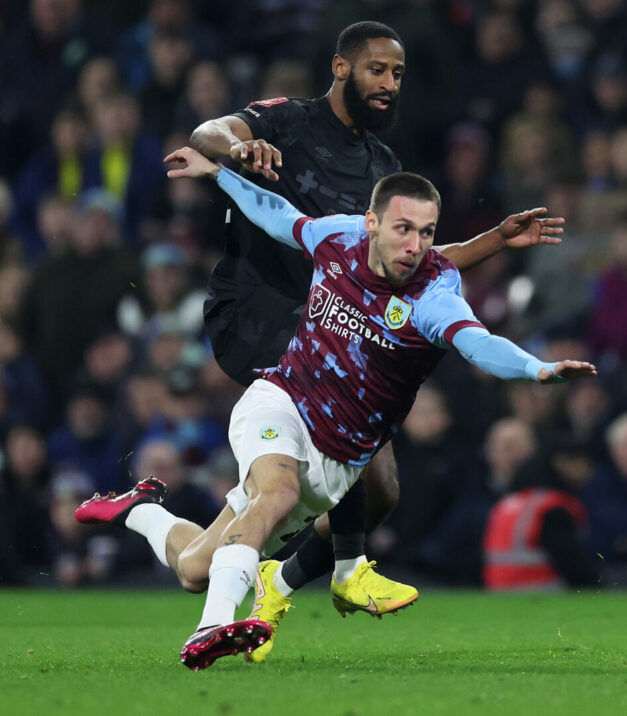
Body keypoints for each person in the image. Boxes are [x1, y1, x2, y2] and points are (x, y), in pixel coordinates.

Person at [76, 147, 597, 670]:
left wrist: (535, 369)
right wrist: (218, 173)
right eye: (403, 229)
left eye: (427, 233)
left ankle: (138, 510)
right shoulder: (339, 238)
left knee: (195, 569)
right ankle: (211, 629)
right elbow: (278, 215)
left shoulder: (434, 296)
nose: (415, 246)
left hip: (336, 462)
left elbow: (478, 344)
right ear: (372, 224)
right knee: (276, 492)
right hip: (281, 400)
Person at [186, 21, 564, 660]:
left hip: (328, 316)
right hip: (257, 309)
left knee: (379, 490)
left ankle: (210, 547)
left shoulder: (383, 168)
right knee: (319, 473)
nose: (390, 84)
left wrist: (494, 240)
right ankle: (346, 567)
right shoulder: (287, 121)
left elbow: (413, 257)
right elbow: (207, 133)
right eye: (377, 70)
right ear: (341, 68)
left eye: (398, 74)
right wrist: (237, 151)